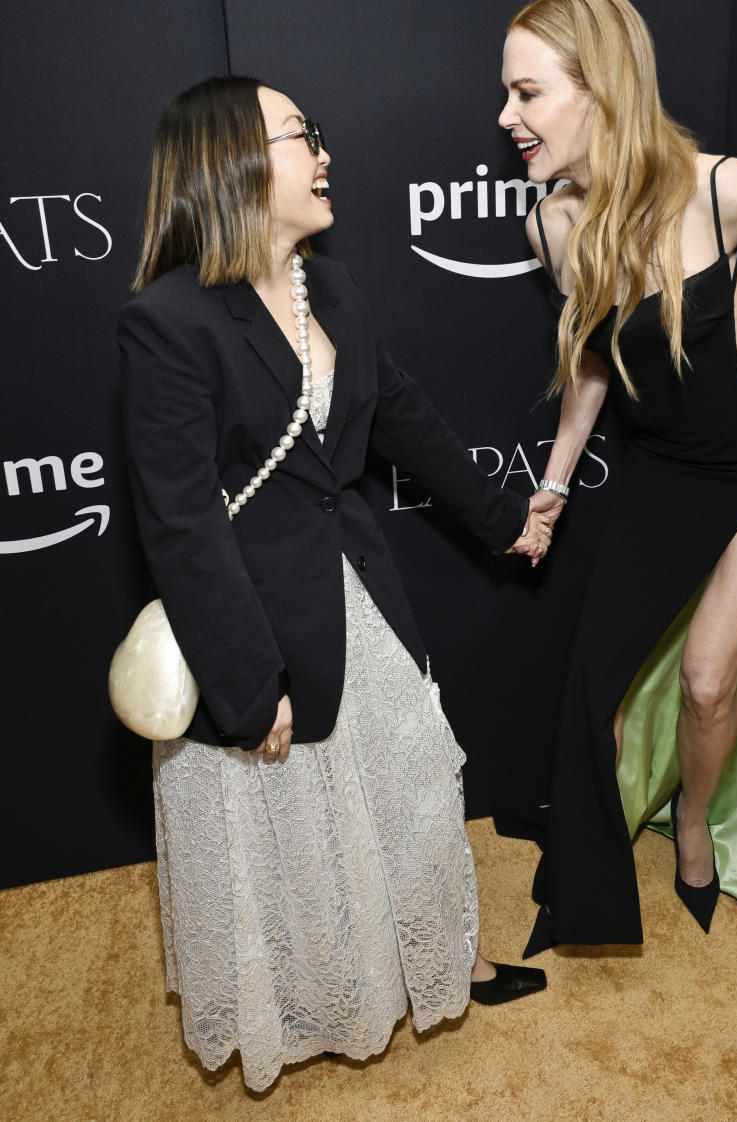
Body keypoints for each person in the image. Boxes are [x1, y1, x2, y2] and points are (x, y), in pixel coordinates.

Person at [117, 77, 550, 1090]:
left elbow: (401, 415)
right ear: (231, 163)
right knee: (291, 835)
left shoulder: (332, 284)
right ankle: (322, 999)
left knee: (410, 785)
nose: (323, 153)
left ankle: (454, 960)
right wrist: (245, 678)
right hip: (252, 619)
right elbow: (180, 526)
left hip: (359, 590)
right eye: (300, 136)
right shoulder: (168, 322)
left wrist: (503, 519)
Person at [496, 0, 737, 954]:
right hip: (661, 467)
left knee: (704, 681)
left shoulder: (725, 189)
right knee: (589, 684)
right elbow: (597, 361)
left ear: (600, 87)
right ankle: (594, 875)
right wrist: (556, 484)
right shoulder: (552, 227)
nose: (506, 117)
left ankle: (694, 826)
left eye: (526, 93)